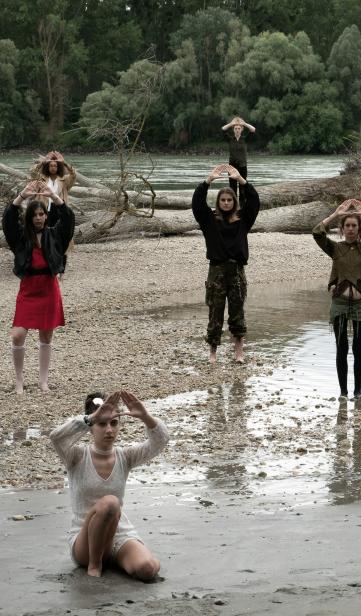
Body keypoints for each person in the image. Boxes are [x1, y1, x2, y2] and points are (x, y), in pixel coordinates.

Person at [49, 391, 169, 579]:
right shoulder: (76, 456)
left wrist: (146, 417)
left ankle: (120, 558)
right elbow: (56, 437)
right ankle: (95, 565)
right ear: (91, 427)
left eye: (114, 423)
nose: (109, 430)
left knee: (148, 569)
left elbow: (161, 441)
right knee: (110, 503)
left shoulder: (126, 456)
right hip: (84, 542)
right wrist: (90, 418)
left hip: (118, 536)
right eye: (102, 424)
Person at [313, 200, 361, 400]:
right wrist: (335, 214)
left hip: (360, 305)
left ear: (359, 228)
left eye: (354, 225)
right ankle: (343, 393)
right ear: (342, 228)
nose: (350, 229)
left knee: (358, 349)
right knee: (342, 348)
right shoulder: (335, 248)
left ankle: (357, 393)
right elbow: (317, 233)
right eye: (347, 225)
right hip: (339, 304)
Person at [2, 180, 75, 394]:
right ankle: (19, 380)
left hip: (49, 289)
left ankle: (43, 382)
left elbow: (69, 218)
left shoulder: (55, 234)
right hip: (28, 289)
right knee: (17, 335)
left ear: (46, 216)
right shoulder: (21, 237)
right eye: (34, 215)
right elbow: (7, 220)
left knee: (46, 336)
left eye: (42, 214)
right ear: (29, 217)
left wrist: (53, 196)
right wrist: (22, 196)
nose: (38, 218)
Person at [191, 163, 260, 363]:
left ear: (234, 202)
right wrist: (208, 181)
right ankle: (213, 352)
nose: (227, 202)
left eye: (230, 200)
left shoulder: (243, 220)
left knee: (237, 311)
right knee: (215, 311)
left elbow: (254, 202)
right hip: (217, 271)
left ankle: (239, 350)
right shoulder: (209, 220)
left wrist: (241, 180)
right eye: (223, 200)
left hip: (237, 270)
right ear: (218, 202)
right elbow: (197, 203)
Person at [221, 116, 255, 199]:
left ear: (241, 129)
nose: (237, 130)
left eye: (239, 128)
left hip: (242, 166)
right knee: (232, 188)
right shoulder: (230, 139)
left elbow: (253, 129)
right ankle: (233, 207)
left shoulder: (245, 139)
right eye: (235, 128)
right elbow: (223, 129)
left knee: (242, 188)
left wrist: (244, 123)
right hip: (231, 167)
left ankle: (242, 207)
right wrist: (231, 124)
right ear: (233, 130)